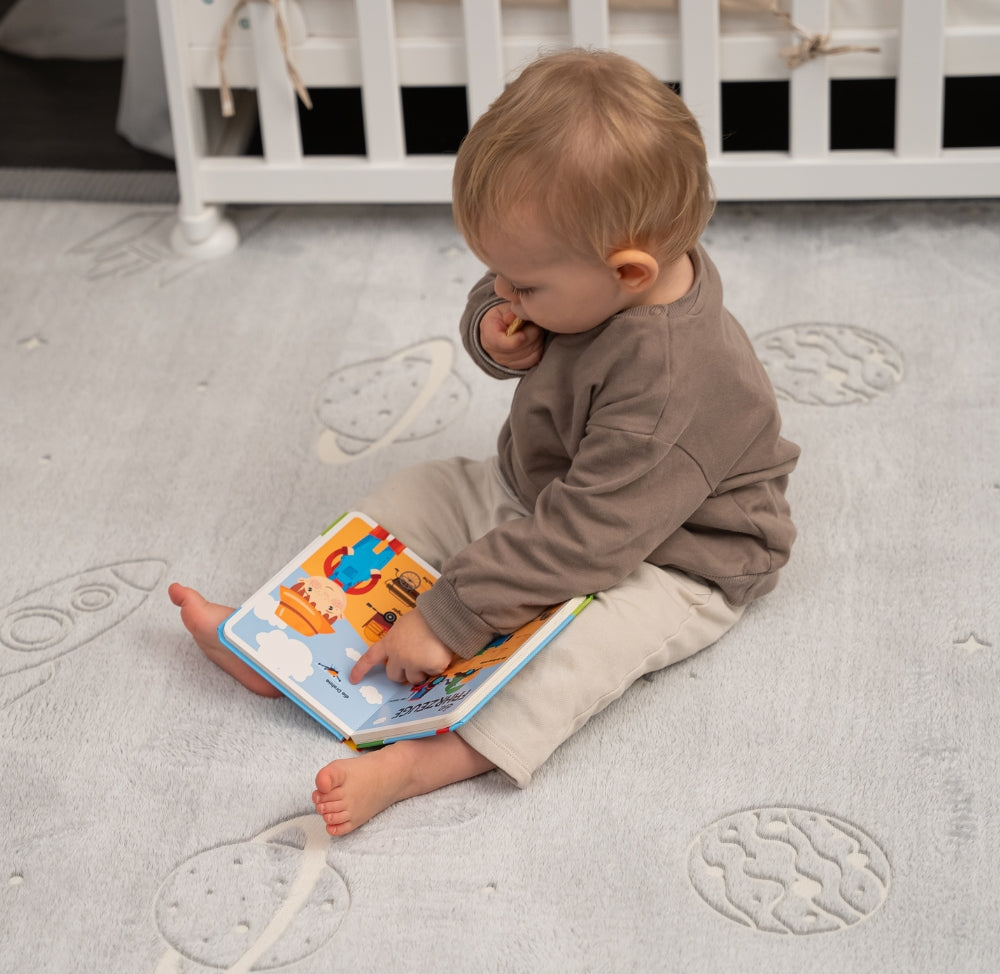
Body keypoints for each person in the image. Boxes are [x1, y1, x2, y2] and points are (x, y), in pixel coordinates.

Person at [169, 48, 800, 836]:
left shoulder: (675, 382)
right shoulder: (588, 280)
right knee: (416, 493)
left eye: (522, 286)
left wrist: (452, 613)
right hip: (556, 492)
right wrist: (498, 334)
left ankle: (420, 762)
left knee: (578, 654)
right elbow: (526, 335)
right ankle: (285, 643)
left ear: (629, 273)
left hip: (672, 555)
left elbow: (588, 540)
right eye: (495, 275)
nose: (504, 294)